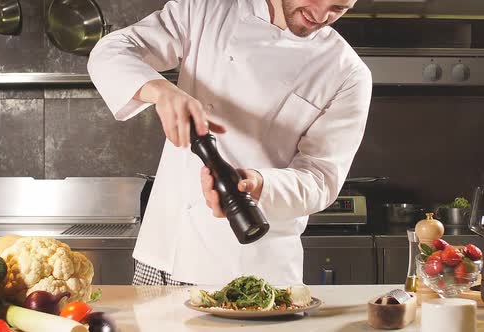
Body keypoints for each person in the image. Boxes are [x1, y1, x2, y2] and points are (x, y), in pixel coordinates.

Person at [88, 0, 372, 286]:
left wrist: (258, 184)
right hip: (162, 256)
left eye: (339, 8)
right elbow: (110, 51)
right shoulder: (207, 9)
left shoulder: (347, 73)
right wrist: (161, 91)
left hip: (245, 270)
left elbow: (321, 179)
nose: (321, 15)